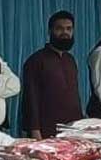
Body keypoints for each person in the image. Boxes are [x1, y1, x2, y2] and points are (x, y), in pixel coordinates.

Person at [22, 10, 83, 139]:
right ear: (50, 31)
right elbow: (31, 99)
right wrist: (34, 130)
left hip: (73, 128)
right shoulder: (36, 60)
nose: (65, 33)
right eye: (59, 29)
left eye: (69, 29)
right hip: (46, 129)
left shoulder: (70, 60)